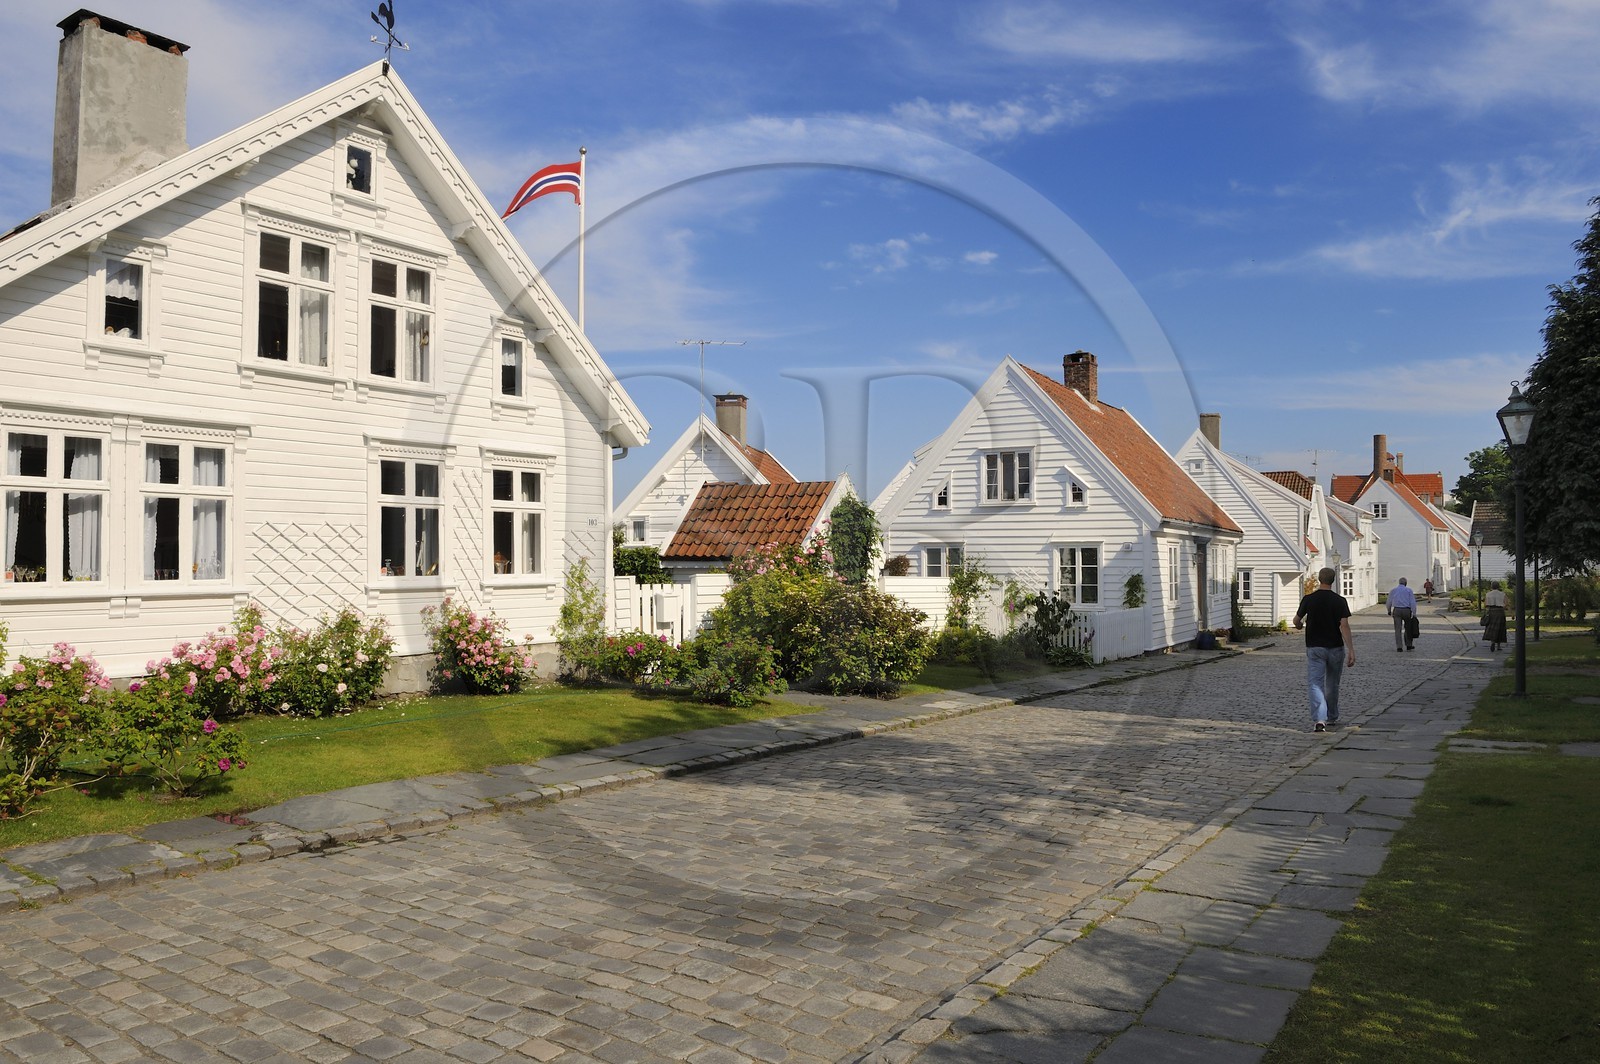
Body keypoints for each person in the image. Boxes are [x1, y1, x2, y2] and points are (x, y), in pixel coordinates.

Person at [1295, 567, 1356, 733]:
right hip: (1335, 647)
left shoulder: (1309, 599)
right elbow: (1344, 625)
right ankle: (1332, 716)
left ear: (1319, 580)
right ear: (1333, 580)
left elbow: (1297, 620)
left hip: (1315, 647)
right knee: (1332, 683)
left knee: (1315, 683)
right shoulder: (1340, 601)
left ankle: (1320, 719)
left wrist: (1299, 625)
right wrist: (1351, 649)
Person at [1387, 576, 1418, 651]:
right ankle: (1409, 645)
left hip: (1397, 610)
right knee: (1408, 628)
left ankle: (1399, 647)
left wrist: (1389, 610)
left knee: (1398, 629)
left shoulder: (1393, 590)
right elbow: (1412, 602)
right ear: (1406, 583)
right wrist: (1414, 613)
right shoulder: (1409, 590)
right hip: (1407, 610)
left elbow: (1389, 602)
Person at [1483, 581, 1509, 651]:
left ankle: (1492, 642)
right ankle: (1498, 646)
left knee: (1492, 628)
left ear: (1491, 586)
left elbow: (1485, 604)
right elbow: (1506, 604)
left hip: (1491, 611)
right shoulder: (1502, 594)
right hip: (1500, 612)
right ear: (1498, 586)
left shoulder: (1488, 594)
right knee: (1500, 628)